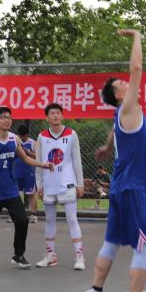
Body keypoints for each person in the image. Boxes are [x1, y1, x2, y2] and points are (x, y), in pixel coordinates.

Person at [80, 29, 146, 292]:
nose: (127, 82)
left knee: (112, 243)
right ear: (120, 95)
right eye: (122, 84)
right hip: (132, 190)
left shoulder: (121, 116)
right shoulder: (128, 107)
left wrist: (107, 146)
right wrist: (137, 36)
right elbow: (137, 68)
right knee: (143, 246)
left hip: (119, 189)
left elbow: (114, 130)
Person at [0, 107, 52, 271]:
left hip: (11, 191)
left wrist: (42, 164)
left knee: (22, 220)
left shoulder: (14, 139)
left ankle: (18, 255)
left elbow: (26, 158)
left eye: (9, 117)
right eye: (2, 117)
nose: (7, 120)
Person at [34, 103, 85, 270]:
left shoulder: (71, 134)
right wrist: (39, 184)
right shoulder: (42, 137)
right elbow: (38, 162)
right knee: (49, 220)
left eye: (58, 113)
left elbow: (77, 160)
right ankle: (51, 256)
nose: (55, 116)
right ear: (46, 117)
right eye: (52, 113)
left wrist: (80, 183)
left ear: (62, 116)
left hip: (68, 184)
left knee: (72, 219)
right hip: (49, 184)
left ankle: (79, 257)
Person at [13, 124, 38, 223]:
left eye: (24, 136)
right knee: (15, 194)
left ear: (27, 134)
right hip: (16, 171)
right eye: (21, 136)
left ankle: (33, 215)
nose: (22, 138)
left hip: (29, 172)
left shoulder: (33, 143)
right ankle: (17, 215)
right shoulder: (15, 142)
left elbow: (38, 156)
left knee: (31, 193)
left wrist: (28, 152)